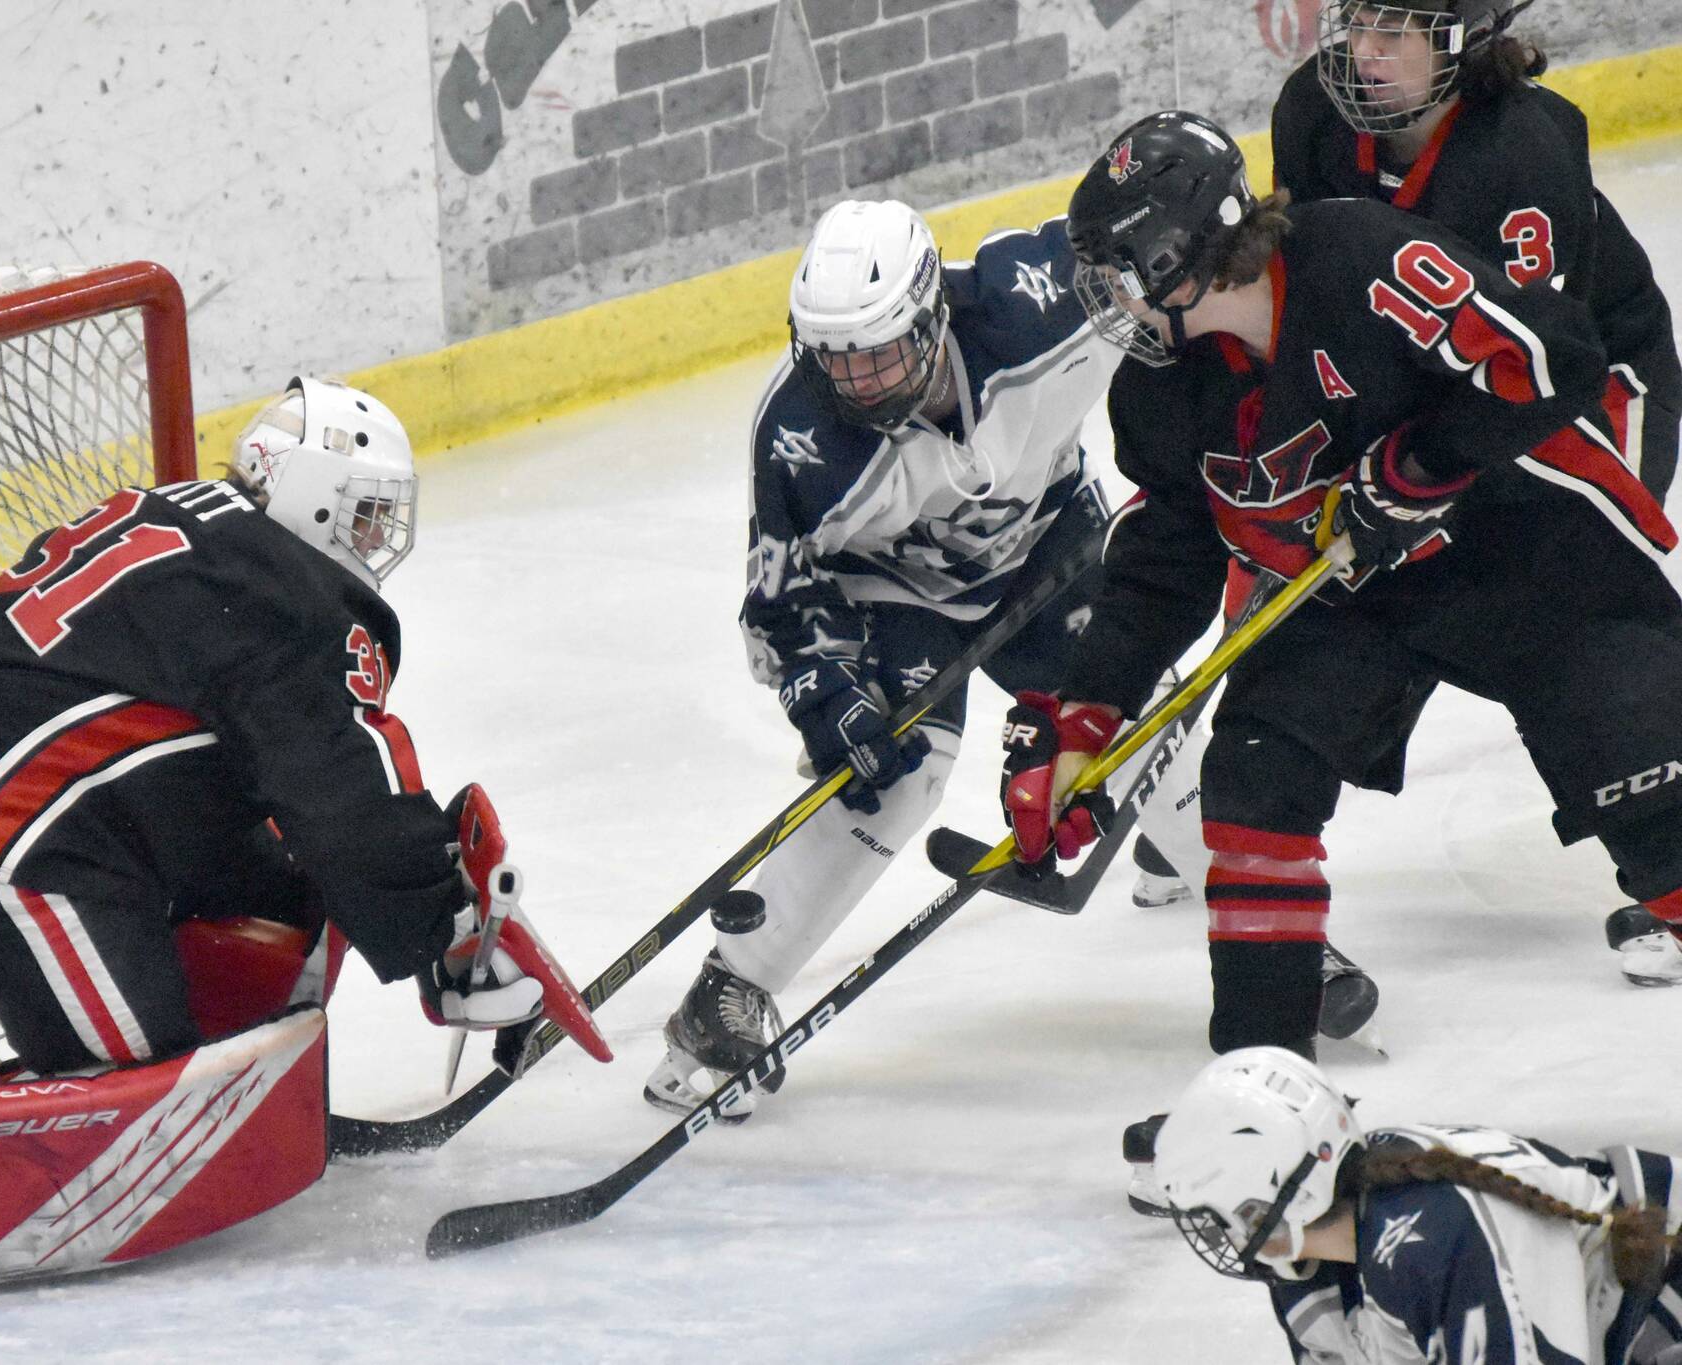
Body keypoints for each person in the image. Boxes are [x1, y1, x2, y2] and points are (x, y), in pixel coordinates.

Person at [0, 376, 607, 1334]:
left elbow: (294, 799)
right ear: (307, 494)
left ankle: (235, 1100)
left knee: (284, 895)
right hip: (7, 821)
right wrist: (443, 926)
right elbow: (343, 798)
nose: (369, 542)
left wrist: (417, 902)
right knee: (145, 1106)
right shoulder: (288, 593)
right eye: (360, 515)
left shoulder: (205, 525)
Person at [1017, 111, 1682, 1174]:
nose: (1113, 303)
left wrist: (1420, 465)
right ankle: (1254, 1111)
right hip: (1352, 593)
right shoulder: (1160, 384)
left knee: (1658, 813)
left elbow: (1552, 357)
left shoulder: (1365, 259)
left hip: (1528, 554)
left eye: (1118, 274)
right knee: (1250, 788)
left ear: (1173, 256)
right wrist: (1081, 717)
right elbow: (1166, 555)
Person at [640, 195, 1224, 1121]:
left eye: (876, 351)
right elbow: (778, 597)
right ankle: (725, 994)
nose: (858, 381)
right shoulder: (799, 438)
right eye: (835, 358)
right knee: (898, 768)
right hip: (892, 590)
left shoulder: (1040, 303)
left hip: (1046, 545)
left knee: (1137, 718)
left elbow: (1178, 264)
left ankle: (1257, 922)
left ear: (932, 312)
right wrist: (823, 691)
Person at [1272, 0, 1682, 986]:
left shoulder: (1522, 158)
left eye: (1392, 36)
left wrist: (1411, 472)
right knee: (1332, 592)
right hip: (1418, 392)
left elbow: (1530, 374)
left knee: (1549, 602)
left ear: (1462, 44)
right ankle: (1257, 814)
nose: (1360, 57)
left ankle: (1669, 862)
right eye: (1353, 28)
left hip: (1573, 393)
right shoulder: (1309, 117)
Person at [1152, 1047, 1681, 1363]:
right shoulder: (1319, 1265)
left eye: (1218, 1215)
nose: (1219, 1236)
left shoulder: (1439, 1235)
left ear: (1267, 1198)